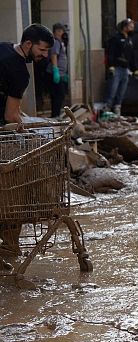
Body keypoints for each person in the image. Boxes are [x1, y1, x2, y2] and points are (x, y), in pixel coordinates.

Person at [0, 24, 53, 258]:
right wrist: (28, 130)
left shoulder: (2, 48)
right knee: (12, 191)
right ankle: (10, 245)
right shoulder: (20, 72)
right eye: (42, 50)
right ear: (28, 44)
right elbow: (10, 115)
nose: (45, 55)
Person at [105, 19, 138, 115]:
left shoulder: (129, 40)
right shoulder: (116, 38)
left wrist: (134, 69)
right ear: (124, 27)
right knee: (112, 90)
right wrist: (111, 66)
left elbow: (131, 56)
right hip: (116, 68)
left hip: (125, 69)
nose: (132, 29)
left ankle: (117, 110)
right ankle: (107, 109)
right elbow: (110, 53)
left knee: (121, 92)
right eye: (130, 27)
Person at [48, 23, 68, 118]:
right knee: (58, 95)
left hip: (61, 73)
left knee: (60, 95)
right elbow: (54, 55)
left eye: (62, 31)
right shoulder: (55, 42)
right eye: (58, 31)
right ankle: (55, 115)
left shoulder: (61, 42)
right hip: (56, 73)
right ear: (54, 31)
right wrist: (55, 70)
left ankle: (56, 114)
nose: (60, 33)